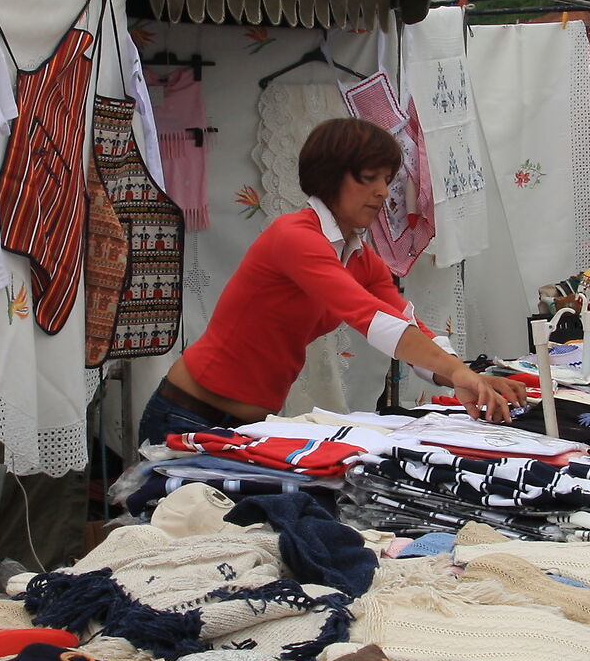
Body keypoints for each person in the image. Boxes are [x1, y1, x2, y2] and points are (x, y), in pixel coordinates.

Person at [141, 118, 526, 443]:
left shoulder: (360, 257)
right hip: (187, 415)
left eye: (387, 179)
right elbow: (369, 318)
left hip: (249, 424)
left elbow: (407, 325)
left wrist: (468, 377)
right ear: (330, 178)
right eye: (368, 178)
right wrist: (462, 374)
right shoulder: (294, 236)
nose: (381, 191)